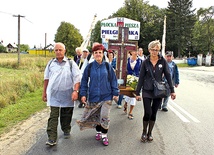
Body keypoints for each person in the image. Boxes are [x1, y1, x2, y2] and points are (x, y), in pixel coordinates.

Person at [77, 44, 119, 146]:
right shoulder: (90, 67)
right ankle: (98, 132)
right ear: (93, 54)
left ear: (102, 53)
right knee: (96, 117)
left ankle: (104, 136)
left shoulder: (107, 66)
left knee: (104, 116)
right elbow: (84, 81)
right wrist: (83, 94)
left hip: (106, 96)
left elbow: (113, 80)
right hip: (94, 96)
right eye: (96, 53)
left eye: (100, 52)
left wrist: (115, 93)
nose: (98, 54)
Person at [135, 40, 176, 142]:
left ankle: (150, 133)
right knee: (148, 112)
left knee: (154, 113)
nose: (155, 52)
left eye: (157, 50)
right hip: (147, 90)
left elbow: (168, 75)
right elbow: (141, 78)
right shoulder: (145, 62)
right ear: (149, 50)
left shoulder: (163, 61)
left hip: (159, 91)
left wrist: (172, 90)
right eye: (153, 50)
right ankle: (144, 132)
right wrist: (137, 93)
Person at [42, 42, 81, 146]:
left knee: (66, 114)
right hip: (54, 95)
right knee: (53, 116)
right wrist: (44, 93)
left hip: (68, 94)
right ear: (54, 51)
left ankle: (66, 128)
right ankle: (52, 138)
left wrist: (75, 91)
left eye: (60, 50)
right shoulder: (51, 63)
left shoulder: (71, 63)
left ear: (65, 51)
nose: (58, 52)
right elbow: (46, 79)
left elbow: (77, 78)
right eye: (56, 50)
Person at [124, 50, 142, 119]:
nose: (136, 52)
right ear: (131, 52)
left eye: (136, 51)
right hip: (127, 81)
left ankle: (130, 112)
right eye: (134, 51)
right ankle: (125, 104)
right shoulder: (126, 60)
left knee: (133, 96)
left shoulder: (140, 61)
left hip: (136, 81)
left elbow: (142, 71)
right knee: (128, 94)